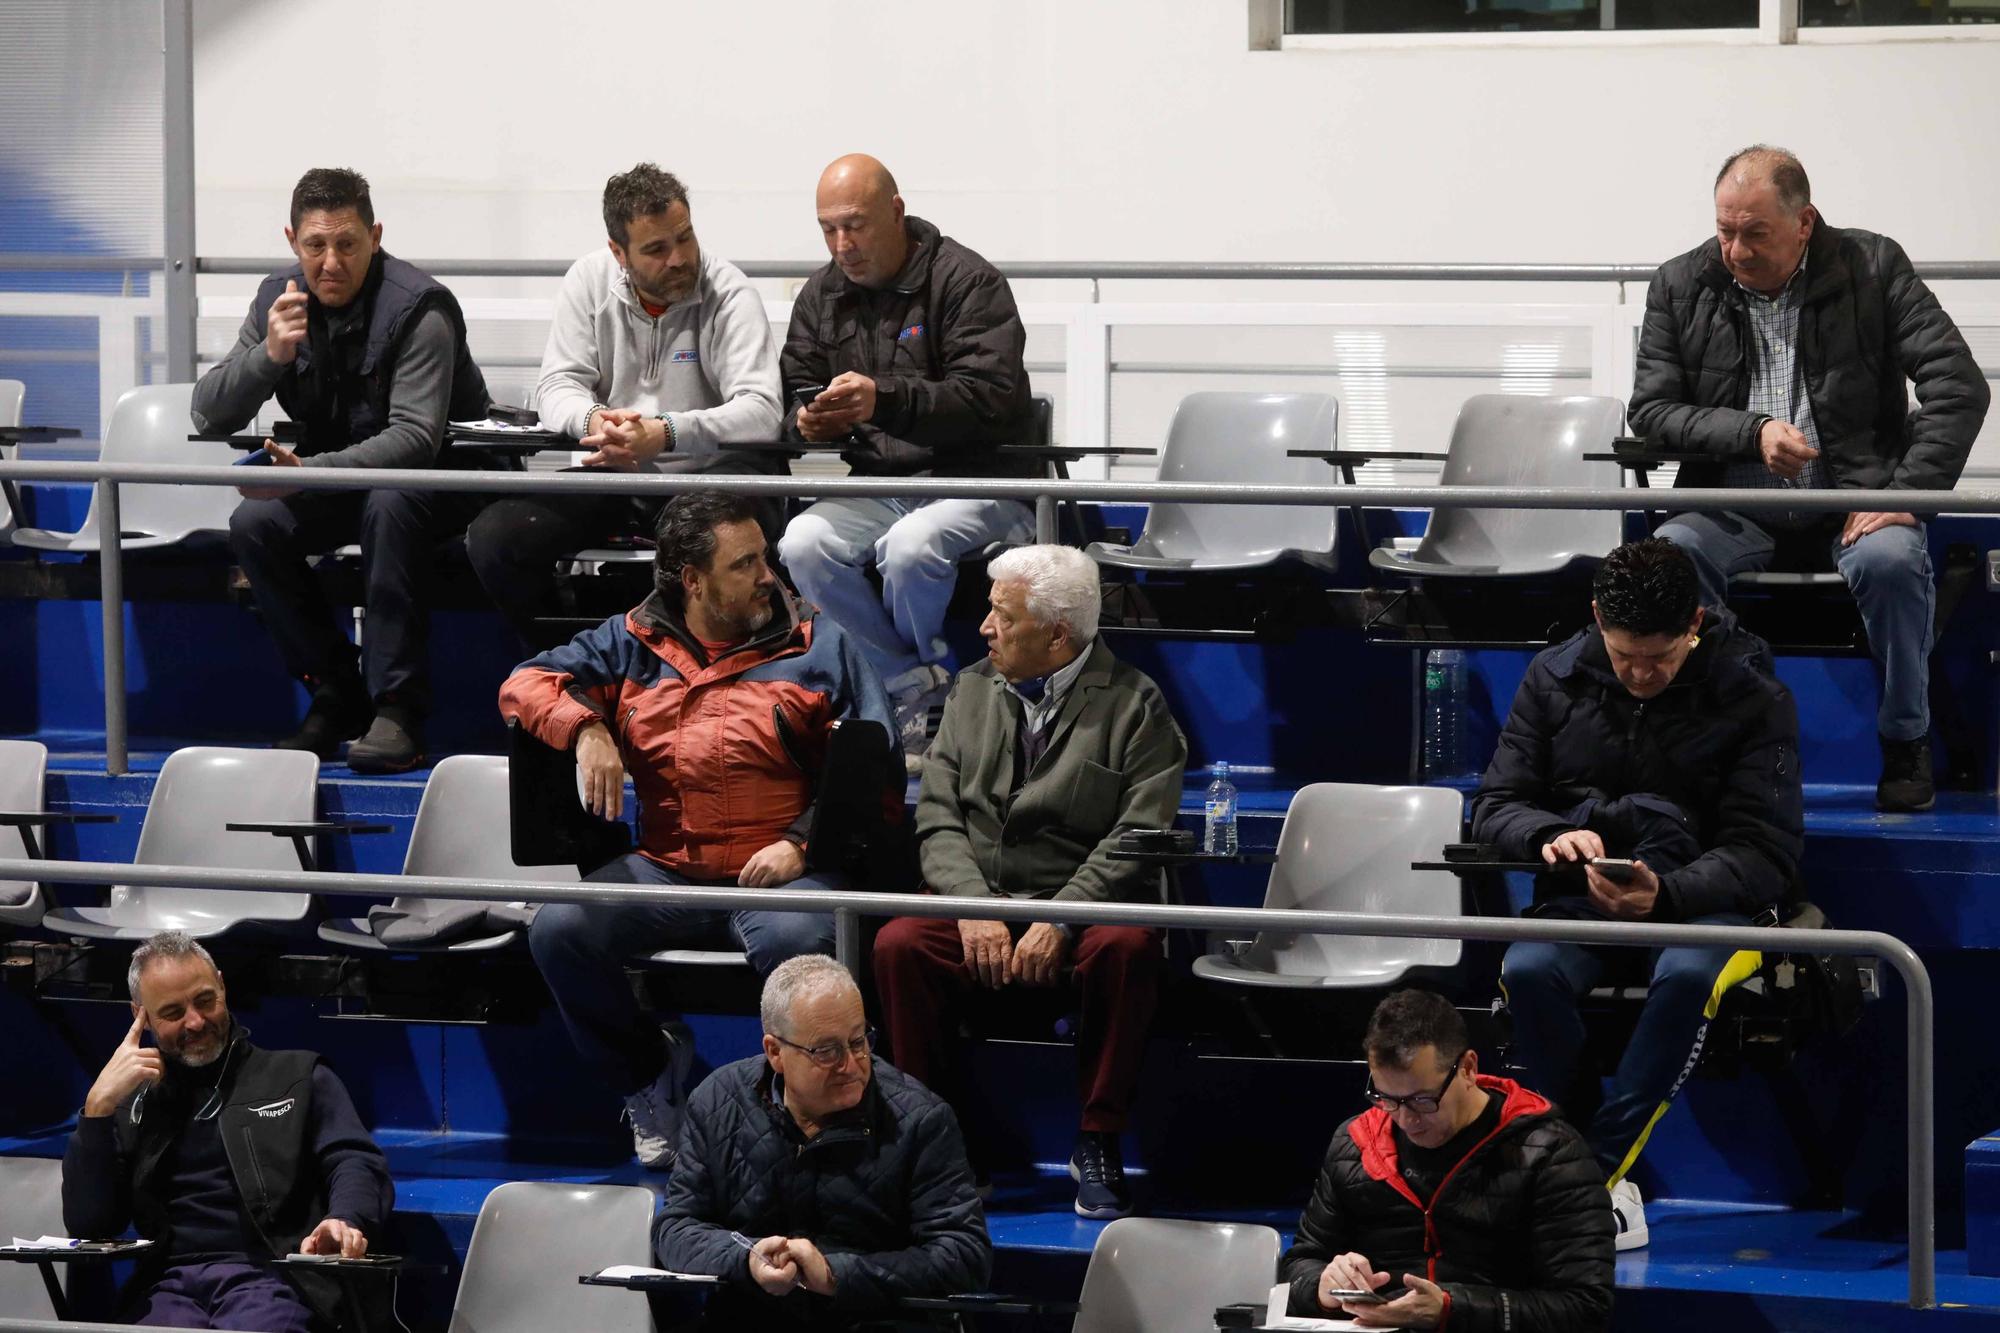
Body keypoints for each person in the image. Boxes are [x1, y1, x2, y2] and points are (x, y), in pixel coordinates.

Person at [501, 492, 897, 1169]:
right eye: (744, 565)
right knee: (559, 929)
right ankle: (648, 1073)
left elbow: (878, 762)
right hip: (666, 869)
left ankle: (799, 1120)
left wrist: (799, 842)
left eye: (764, 558)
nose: (767, 576)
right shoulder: (628, 640)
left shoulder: (820, 641)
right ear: (692, 580)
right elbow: (524, 682)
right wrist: (587, 727)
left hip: (780, 872)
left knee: (804, 945)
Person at [1630, 144, 1990, 813]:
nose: (1736, 249)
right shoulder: (1679, 284)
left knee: (1891, 559)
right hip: (1730, 504)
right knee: (1671, 557)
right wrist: (1751, 431)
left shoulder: (1873, 266)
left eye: (1755, 233)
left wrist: (1907, 494)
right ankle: (1730, 739)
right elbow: (1650, 412)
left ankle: (1906, 740)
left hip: (1852, 501)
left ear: (1805, 223)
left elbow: (1959, 387)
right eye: (1725, 230)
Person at [1472, 538, 1803, 1250]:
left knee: (1688, 976)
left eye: (1661, 656)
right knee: (1527, 970)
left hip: (1709, 906)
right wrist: (1548, 837)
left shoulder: (1754, 697)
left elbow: (1766, 850)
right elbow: (1496, 805)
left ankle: (1582, 1177)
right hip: (1578, 895)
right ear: (1596, 617)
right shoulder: (1551, 677)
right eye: (1625, 655)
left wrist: (1670, 892)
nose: (1641, 674)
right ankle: (1589, 1178)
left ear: (1695, 623)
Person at [872, 545, 1186, 1220]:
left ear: (1057, 635)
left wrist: (1063, 915)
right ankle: (939, 1142)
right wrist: (972, 907)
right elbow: (938, 814)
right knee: (899, 943)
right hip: (977, 898)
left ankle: (1098, 1136)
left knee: (1128, 948)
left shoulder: (1137, 706)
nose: (985, 627)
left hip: (1080, 904)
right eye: (989, 610)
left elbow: (1136, 837)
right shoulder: (970, 687)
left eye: (1002, 616)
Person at [193, 167, 499, 773]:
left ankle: (399, 710)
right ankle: (336, 691)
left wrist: (307, 471)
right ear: (292, 241)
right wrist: (268, 356)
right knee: (255, 523)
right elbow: (208, 412)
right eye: (315, 246)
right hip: (345, 477)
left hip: (450, 481)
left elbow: (414, 441)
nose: (331, 262)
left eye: (348, 244)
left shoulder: (420, 308)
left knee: (391, 499)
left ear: (375, 236)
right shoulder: (277, 299)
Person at [776, 154, 1037, 770]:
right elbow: (794, 392)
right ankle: (913, 683)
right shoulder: (821, 295)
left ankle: (913, 697)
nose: (844, 245)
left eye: (856, 225)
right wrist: (807, 423)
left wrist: (882, 398)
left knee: (912, 545)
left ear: (896, 212)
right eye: (829, 229)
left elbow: (989, 400)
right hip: (880, 483)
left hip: (980, 480)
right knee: (801, 542)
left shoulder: (969, 282)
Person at [466, 163, 784, 650]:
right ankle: (572, 661)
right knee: (497, 538)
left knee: (712, 540)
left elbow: (762, 410)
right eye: (656, 249)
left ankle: (694, 681)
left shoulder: (729, 291)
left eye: (685, 237)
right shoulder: (589, 281)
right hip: (618, 474)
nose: (679, 258)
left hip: (709, 479)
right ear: (619, 253)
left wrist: (665, 432)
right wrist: (596, 421)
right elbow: (558, 385)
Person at [61, 931, 392, 1332]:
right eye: (172, 1012)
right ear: (140, 1016)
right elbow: (89, 1223)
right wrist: (96, 1112)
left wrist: (346, 1218)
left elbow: (354, 1159)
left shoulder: (299, 1077)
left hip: (274, 1278)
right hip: (167, 1287)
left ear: (222, 984)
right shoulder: (132, 1104)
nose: (196, 1022)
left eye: (204, 1000)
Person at [654, 955, 990, 1331]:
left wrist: (835, 1274)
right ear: (775, 1052)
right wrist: (745, 1258)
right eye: (826, 1051)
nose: (852, 1064)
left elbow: (965, 1256)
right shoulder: (717, 1100)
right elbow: (676, 1227)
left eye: (859, 1041)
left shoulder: (920, 1118)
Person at [1278, 990, 1615, 1332]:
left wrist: (1450, 1311)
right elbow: (1299, 1265)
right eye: (1387, 1099)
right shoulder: (1355, 1143)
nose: (1406, 1119)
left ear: (1468, 1068)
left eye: (1422, 1100)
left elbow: (1584, 1305)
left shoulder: (1550, 1154)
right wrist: (1323, 1286)